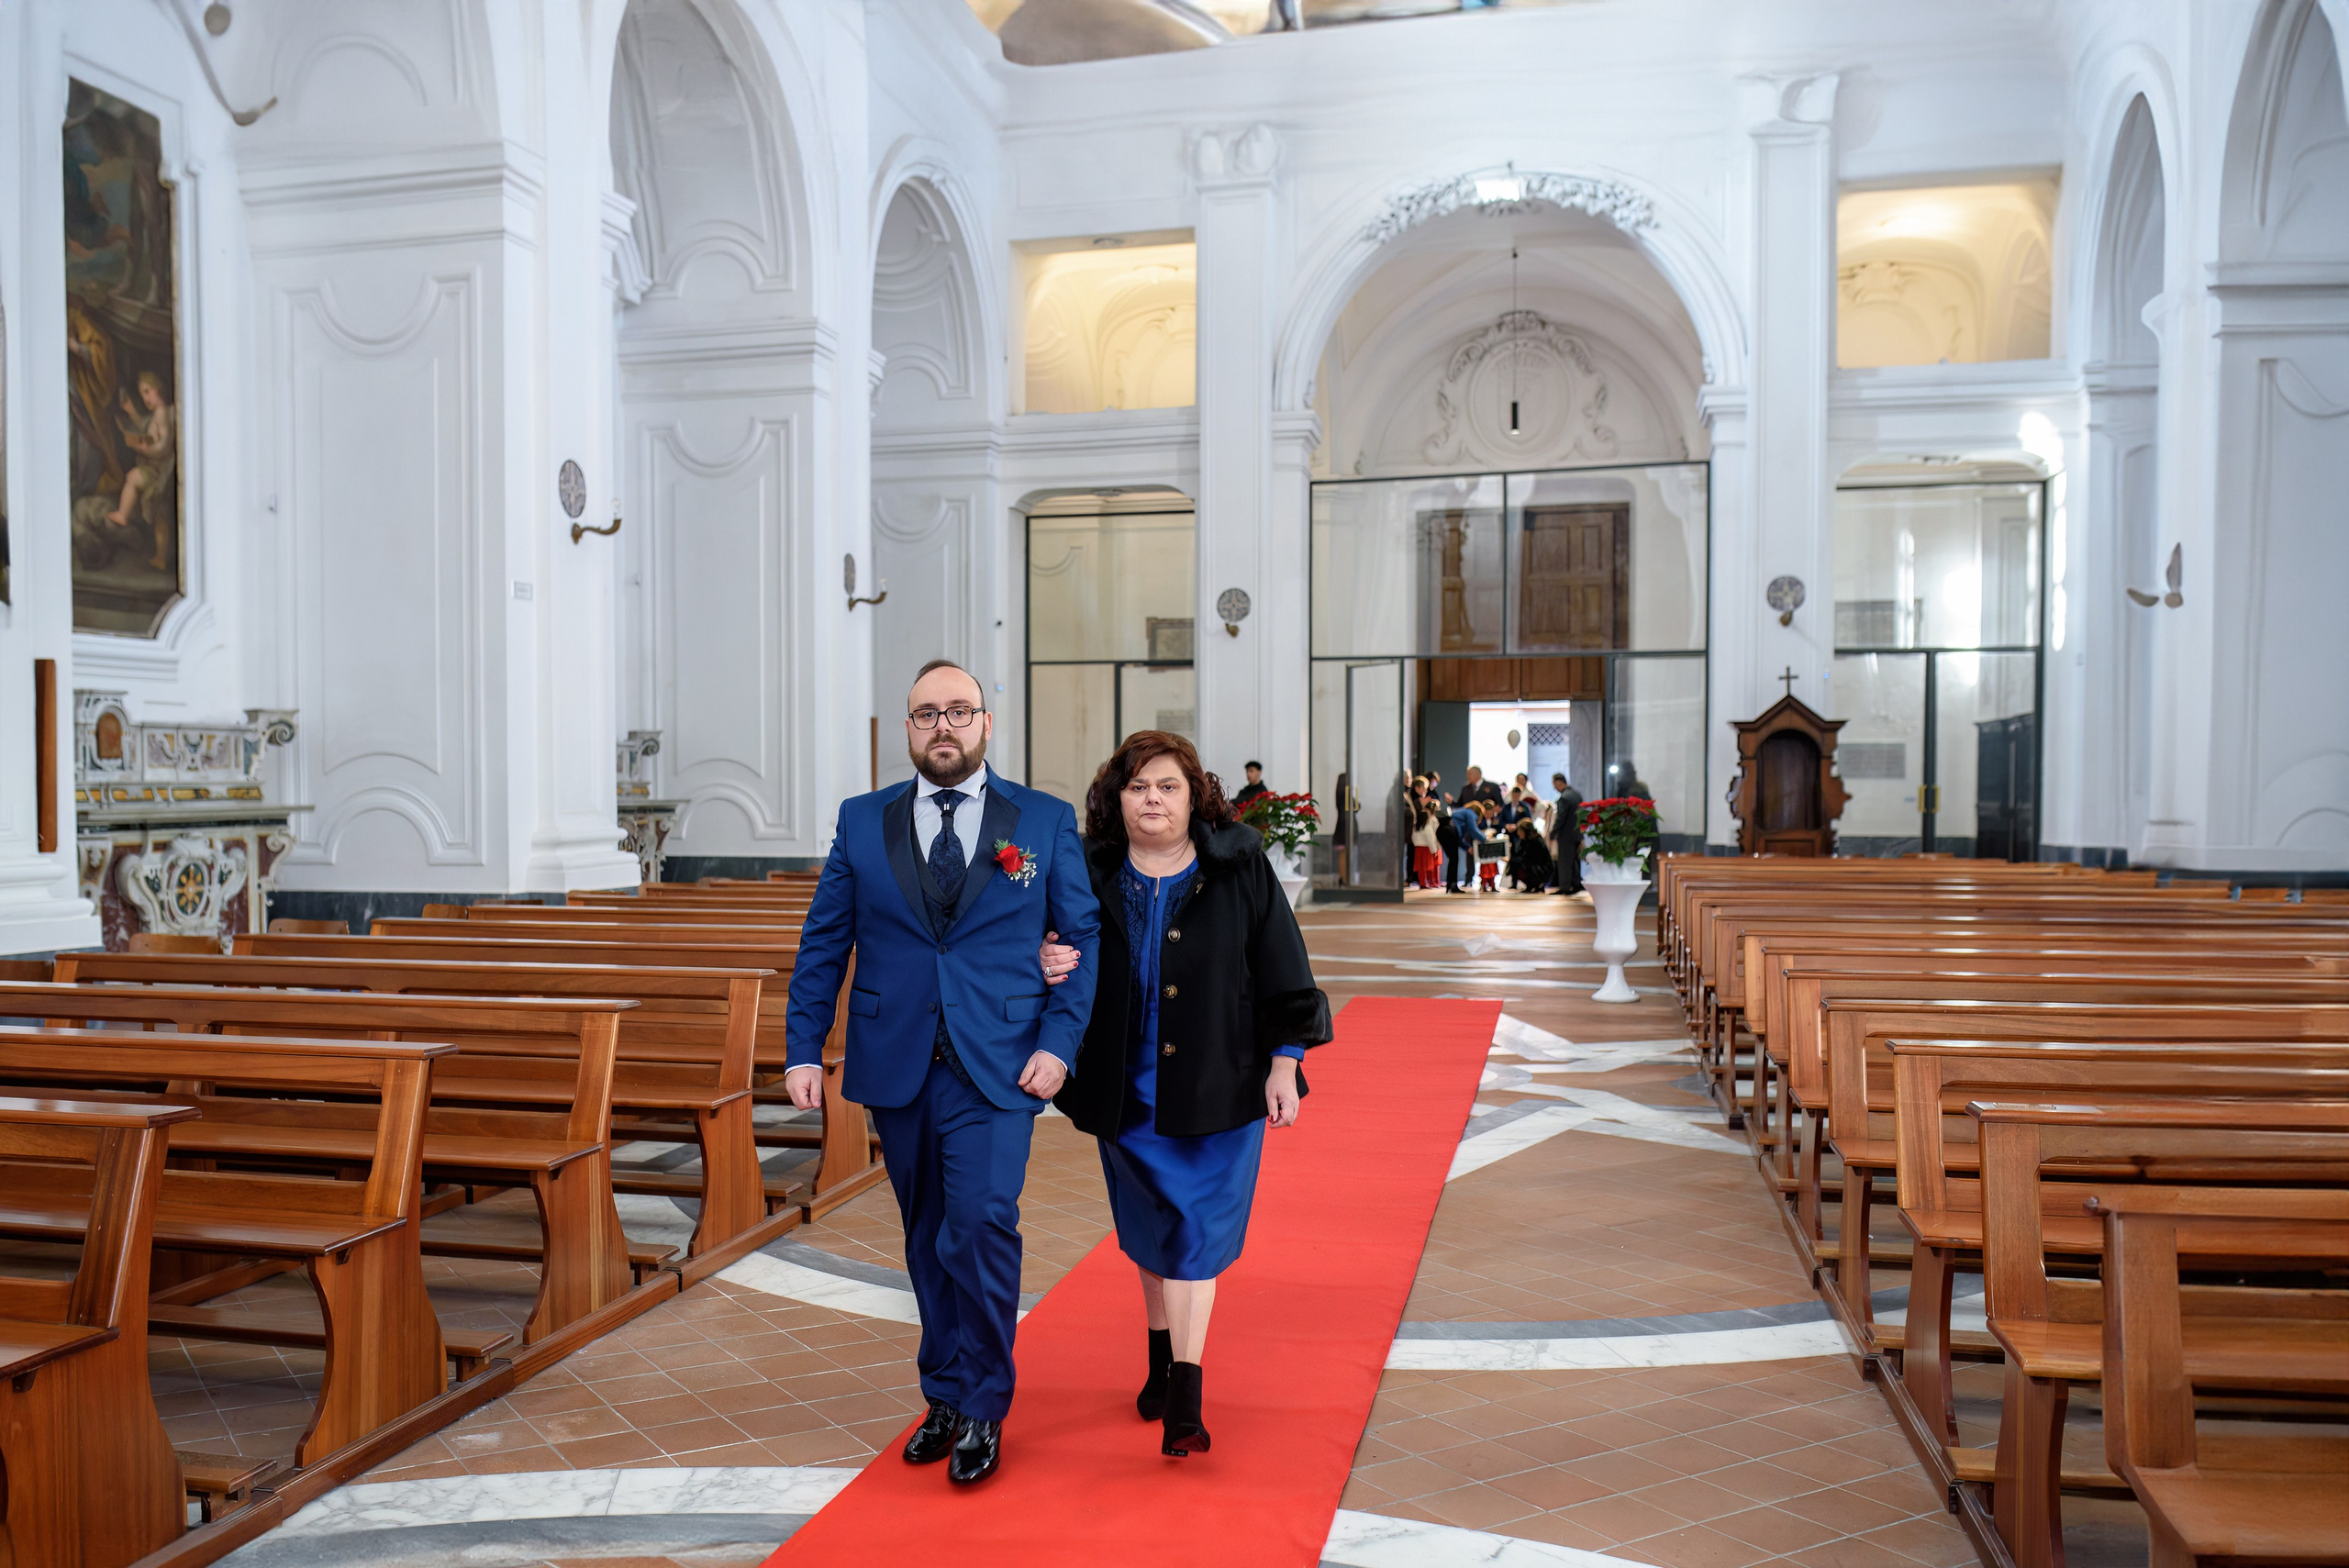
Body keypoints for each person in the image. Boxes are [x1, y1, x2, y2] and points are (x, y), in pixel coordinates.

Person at [783, 660, 1102, 1487]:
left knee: (983, 1224)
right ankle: (946, 1392)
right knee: (926, 1235)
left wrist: (1059, 1045)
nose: (944, 727)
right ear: (909, 729)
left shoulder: (1041, 819)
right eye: (928, 714)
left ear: (986, 723)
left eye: (960, 711)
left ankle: (987, 1403)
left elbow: (1083, 936)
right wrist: (800, 1046)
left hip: (999, 1063)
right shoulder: (863, 822)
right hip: (898, 1063)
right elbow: (825, 941)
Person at [1038, 732, 1330, 1457]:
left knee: (1195, 1239)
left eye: (1167, 785)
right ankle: (1159, 1358)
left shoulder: (1238, 864)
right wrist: (1046, 954)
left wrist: (1285, 1060)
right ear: (1116, 798)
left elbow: (1282, 965)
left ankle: (1186, 1401)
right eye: (1138, 787)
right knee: (1150, 1231)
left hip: (1217, 1085)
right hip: (1124, 1088)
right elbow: (1049, 946)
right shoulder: (1091, 869)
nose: (1153, 800)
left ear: (1194, 792)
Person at [1549, 772, 1585, 895]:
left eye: (1554, 784)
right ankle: (1576, 883)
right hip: (1577, 833)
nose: (1554, 787)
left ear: (1559, 783)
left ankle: (1564, 886)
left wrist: (1553, 833)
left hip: (1566, 835)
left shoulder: (1564, 798)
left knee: (1564, 861)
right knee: (1575, 860)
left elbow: (1560, 818)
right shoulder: (1577, 795)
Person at [1442, 796, 1477, 894]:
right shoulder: (1469, 813)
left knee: (1453, 858)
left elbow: (1460, 839)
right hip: (1449, 831)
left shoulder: (1461, 815)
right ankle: (1452, 885)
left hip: (1443, 831)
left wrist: (1467, 847)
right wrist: (1484, 838)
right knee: (1454, 858)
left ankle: (1450, 884)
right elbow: (1474, 831)